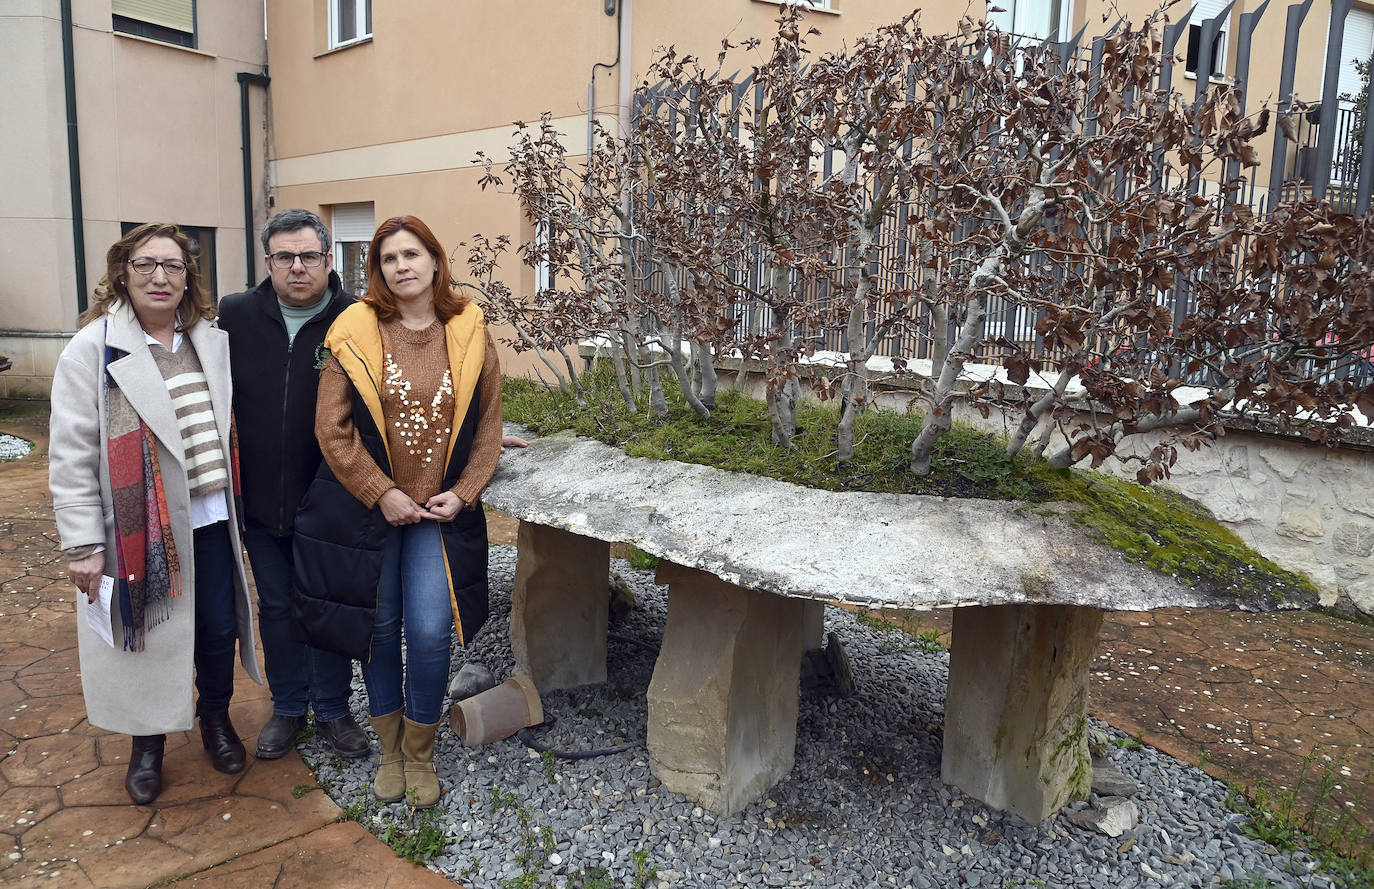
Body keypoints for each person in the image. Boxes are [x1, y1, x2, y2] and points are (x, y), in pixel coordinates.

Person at [48, 223, 263, 805]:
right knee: (145, 635)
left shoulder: (208, 340)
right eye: (146, 265)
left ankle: (215, 720)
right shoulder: (94, 350)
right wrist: (82, 544)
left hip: (213, 518)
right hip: (138, 531)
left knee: (217, 631)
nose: (160, 277)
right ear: (123, 272)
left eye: (173, 266)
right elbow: (71, 455)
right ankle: (148, 746)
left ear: (188, 276)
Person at [293, 215, 503, 809]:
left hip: (439, 516)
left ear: (435, 261)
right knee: (379, 631)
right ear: (377, 270)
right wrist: (380, 491)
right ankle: (389, 752)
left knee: (433, 633)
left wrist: (464, 491)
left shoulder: (469, 333)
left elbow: (489, 427)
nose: (402, 266)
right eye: (388, 258)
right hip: (373, 512)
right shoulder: (353, 332)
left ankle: (420, 751)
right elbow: (330, 429)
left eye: (412, 254)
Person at [218, 209, 369, 761]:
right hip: (258, 502)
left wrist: (479, 436)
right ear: (269, 262)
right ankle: (287, 707)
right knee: (277, 606)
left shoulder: (357, 320)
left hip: (331, 498)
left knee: (324, 604)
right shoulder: (234, 316)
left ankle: (333, 710)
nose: (297, 267)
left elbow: (404, 396)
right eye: (285, 257)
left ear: (329, 260)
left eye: (309, 256)